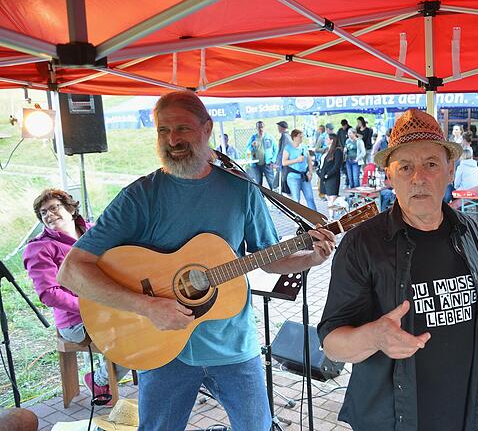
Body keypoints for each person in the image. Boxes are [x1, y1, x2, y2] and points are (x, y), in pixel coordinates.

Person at [57, 90, 336, 431]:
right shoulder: (140, 196)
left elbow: (269, 258)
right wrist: (146, 307)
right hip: (162, 351)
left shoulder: (240, 189)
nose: (172, 139)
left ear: (207, 128)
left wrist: (313, 258)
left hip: (233, 346)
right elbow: (72, 270)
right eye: (163, 130)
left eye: (183, 129)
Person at [318, 108, 478, 431]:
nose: (418, 177)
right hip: (393, 418)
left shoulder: (471, 233)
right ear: (390, 177)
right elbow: (332, 343)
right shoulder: (362, 245)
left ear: (450, 171)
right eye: (405, 167)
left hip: (466, 413)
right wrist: (374, 336)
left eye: (431, 164)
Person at [23, 189, 131, 400]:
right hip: (75, 321)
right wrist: (94, 306)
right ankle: (99, 380)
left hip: (110, 307)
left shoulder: (92, 231)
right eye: (43, 212)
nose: (49, 214)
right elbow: (49, 294)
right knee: (135, 330)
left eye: (54, 207)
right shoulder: (40, 248)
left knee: (148, 318)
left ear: (71, 209)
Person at [283, 129, 317, 211]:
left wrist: (310, 173)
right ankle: (298, 221)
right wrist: (296, 160)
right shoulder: (288, 148)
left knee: (310, 198)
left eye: (302, 136)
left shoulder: (304, 147)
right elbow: (284, 162)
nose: (302, 138)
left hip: (304, 176)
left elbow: (309, 161)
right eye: (300, 137)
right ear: (294, 137)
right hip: (293, 177)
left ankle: (316, 219)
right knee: (296, 200)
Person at [245, 121, 278, 189]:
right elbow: (247, 150)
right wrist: (251, 146)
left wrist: (273, 160)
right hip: (256, 165)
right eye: (259, 127)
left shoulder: (269, 137)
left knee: (271, 182)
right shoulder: (253, 138)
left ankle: (274, 198)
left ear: (264, 127)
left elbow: (276, 149)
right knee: (258, 184)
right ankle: (260, 198)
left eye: (262, 127)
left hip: (268, 163)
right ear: (256, 128)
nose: (260, 129)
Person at [319, 133, 343, 209]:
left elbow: (337, 166)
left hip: (332, 177)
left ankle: (331, 217)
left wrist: (328, 175)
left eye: (327, 139)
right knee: (328, 197)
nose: (326, 140)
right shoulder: (327, 150)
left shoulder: (337, 151)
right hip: (325, 176)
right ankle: (332, 216)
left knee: (332, 198)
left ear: (332, 140)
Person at [275, 120, 292, 193]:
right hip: (285, 163)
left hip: (283, 164)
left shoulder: (284, 136)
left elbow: (282, 152)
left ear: (282, 128)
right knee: (279, 182)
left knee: (279, 183)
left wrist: (278, 164)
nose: (278, 128)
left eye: (278, 127)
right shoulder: (288, 136)